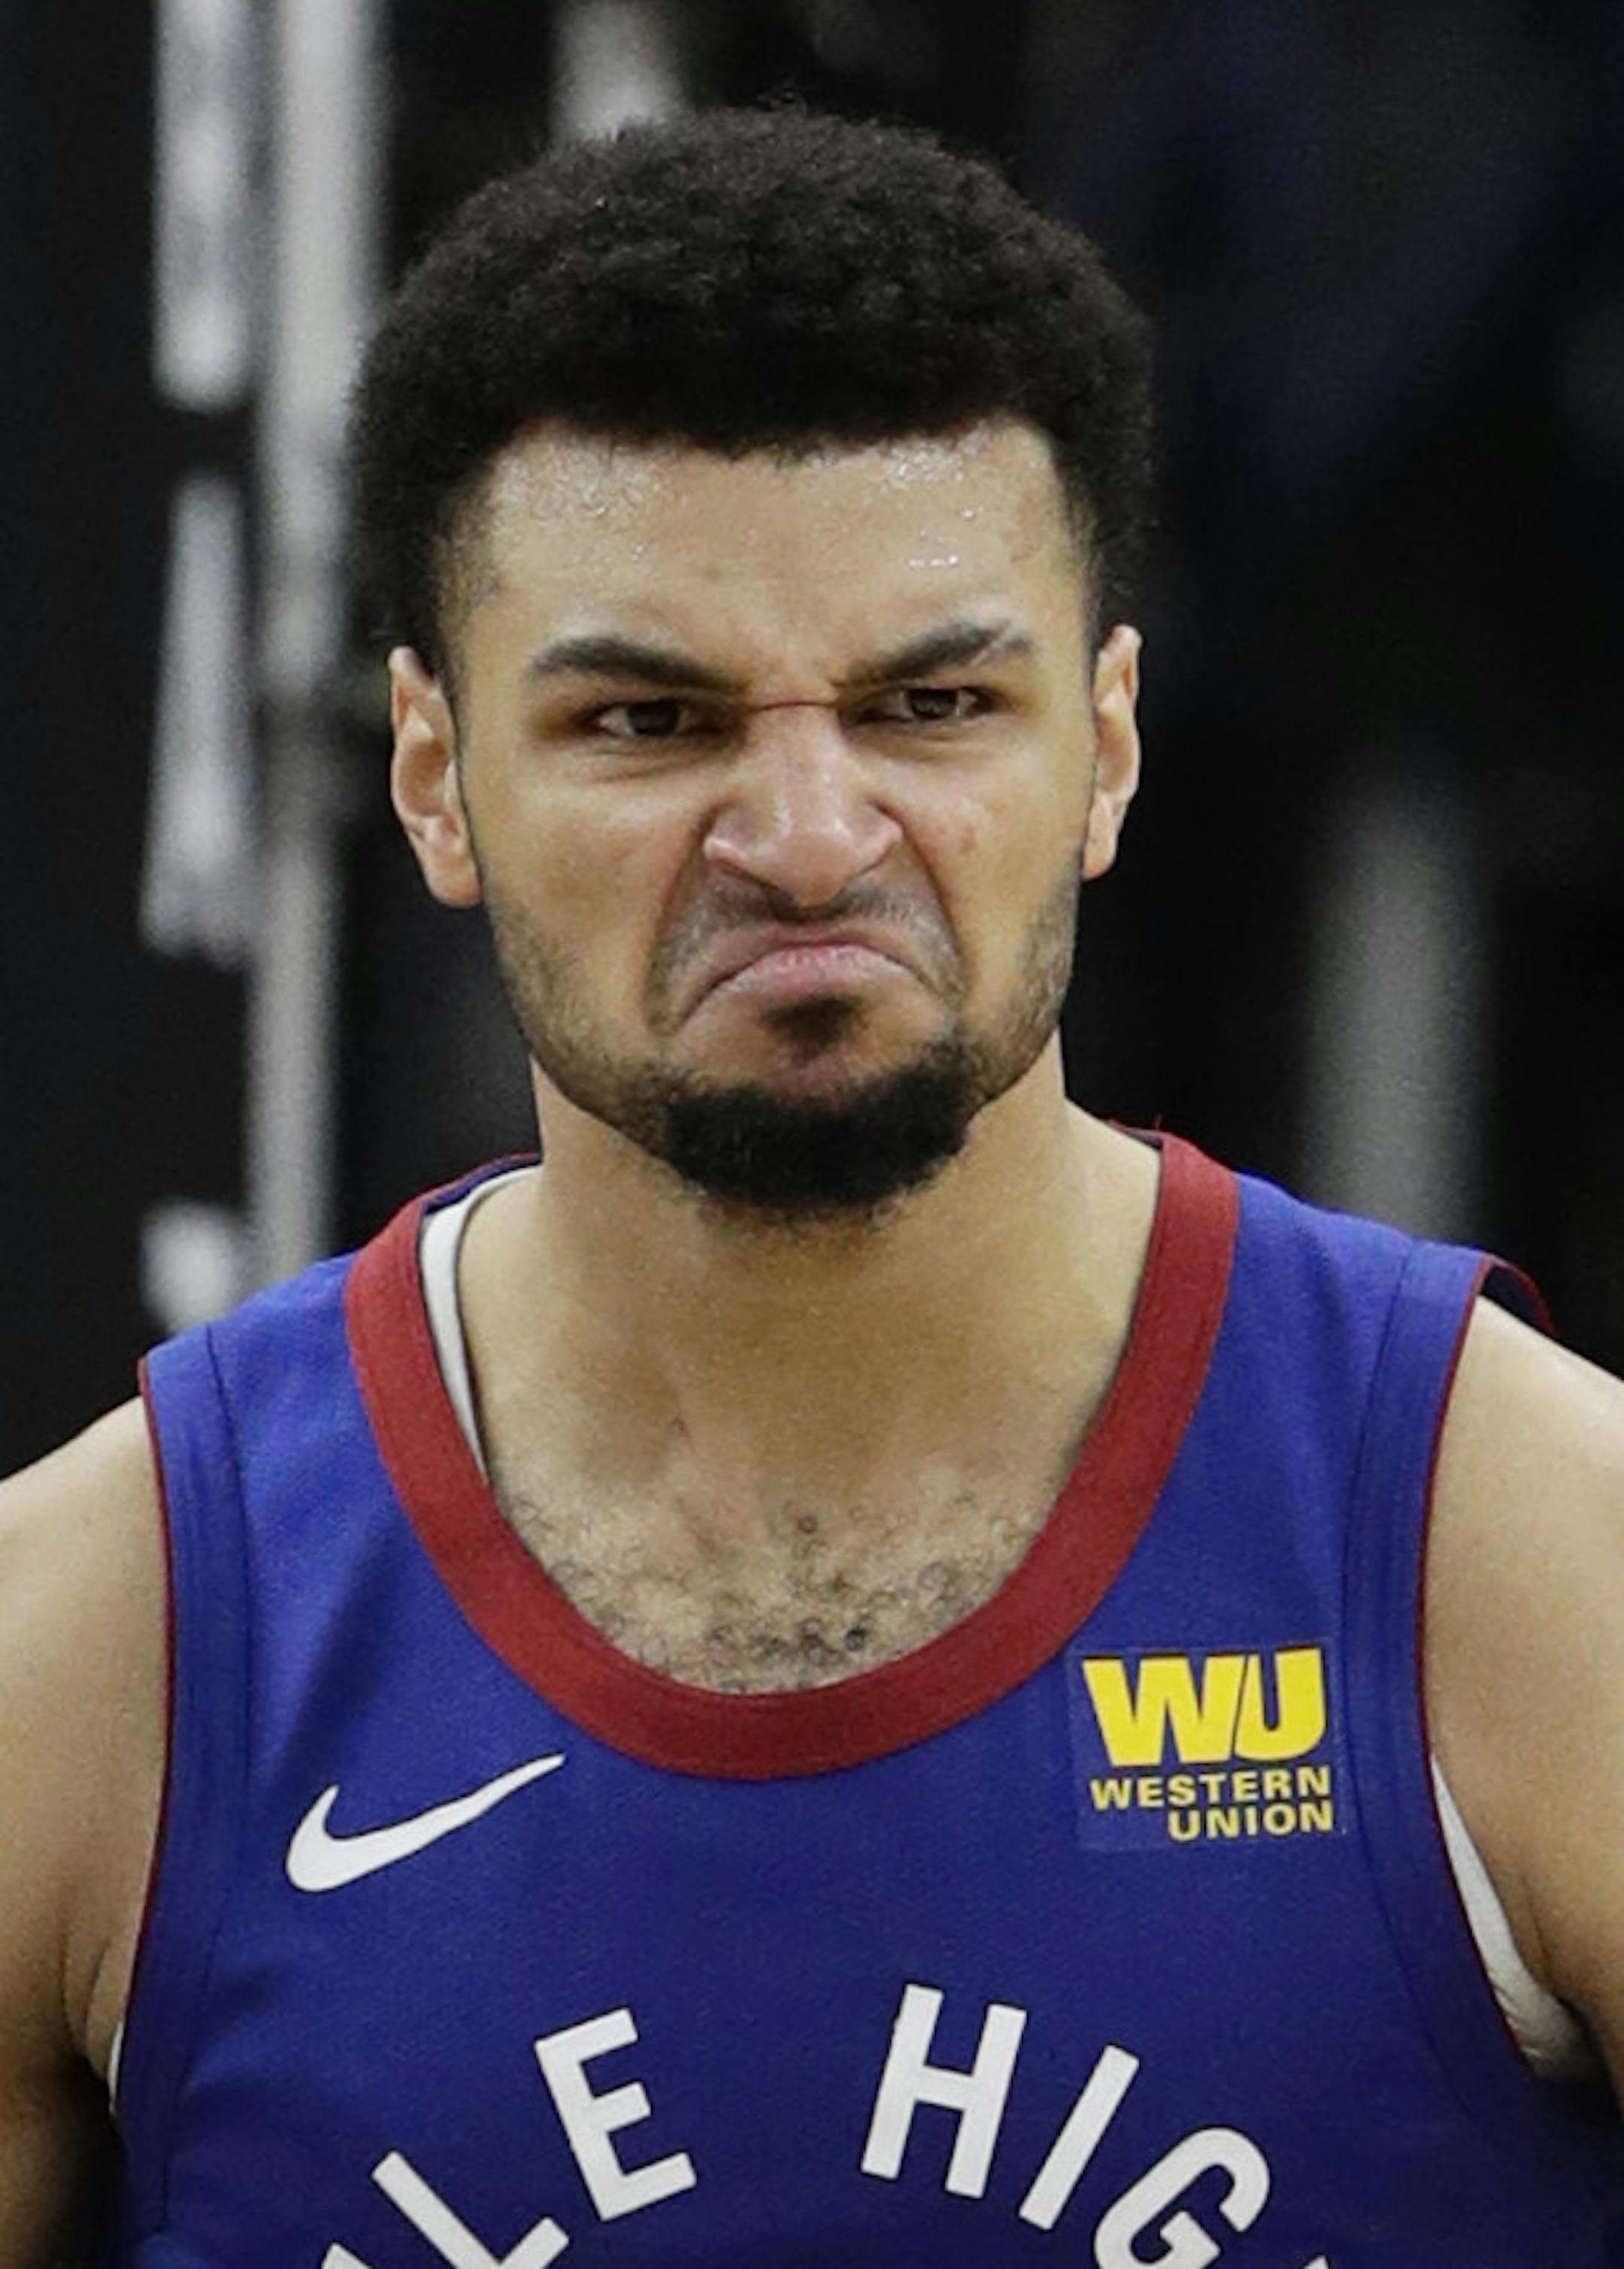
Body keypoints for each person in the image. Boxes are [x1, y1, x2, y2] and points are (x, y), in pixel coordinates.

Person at [2, 105, 1622, 2269]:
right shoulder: (105, 1641)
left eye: (930, 702)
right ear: (434, 776)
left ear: (1107, 745)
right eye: (649, 722)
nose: (805, 837)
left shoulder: (1518, 1560)